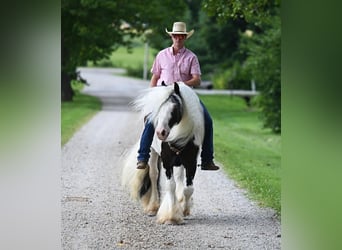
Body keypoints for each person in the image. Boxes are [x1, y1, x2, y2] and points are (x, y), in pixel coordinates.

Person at [137, 21, 219, 171]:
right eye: (176, 36)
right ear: (172, 37)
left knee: (207, 120)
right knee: (150, 121)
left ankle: (207, 159)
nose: (178, 38)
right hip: (163, 94)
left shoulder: (191, 57)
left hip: (185, 93)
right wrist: (151, 96)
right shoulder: (162, 55)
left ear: (185, 37)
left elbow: (197, 79)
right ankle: (142, 157)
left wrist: (182, 84)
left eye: (181, 36)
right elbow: (155, 77)